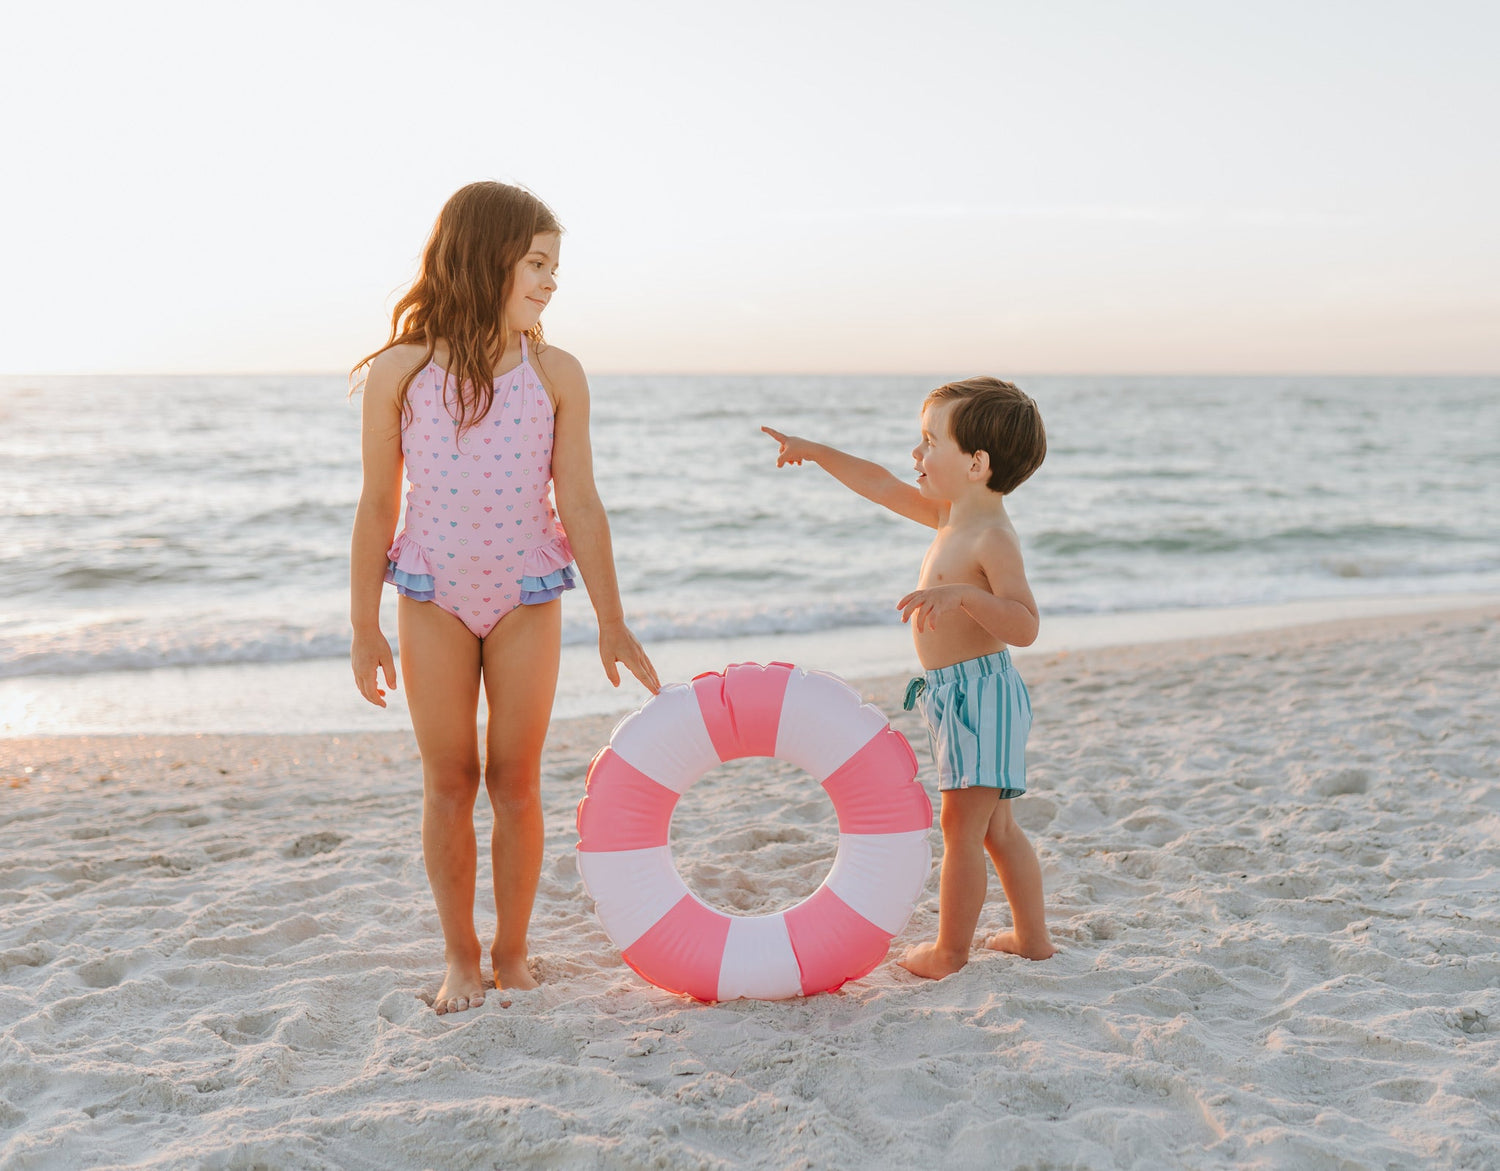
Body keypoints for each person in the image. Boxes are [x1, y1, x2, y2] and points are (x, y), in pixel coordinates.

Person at [350, 181, 659, 1014]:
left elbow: (580, 502)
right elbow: (379, 505)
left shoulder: (554, 372)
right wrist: (362, 625)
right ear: (489, 259)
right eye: (537, 263)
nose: (552, 282)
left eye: (555, 267)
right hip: (432, 594)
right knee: (449, 780)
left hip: (525, 591)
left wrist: (612, 618)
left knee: (515, 780)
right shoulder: (402, 370)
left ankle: (512, 951)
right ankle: (460, 955)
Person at [763, 378, 1056, 979]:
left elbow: (1024, 625)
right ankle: (1032, 939)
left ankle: (951, 953)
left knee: (963, 827)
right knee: (996, 826)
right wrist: (816, 451)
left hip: (981, 693)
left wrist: (963, 596)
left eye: (929, 443)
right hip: (957, 694)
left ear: (976, 464)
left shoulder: (991, 537)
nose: (915, 456)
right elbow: (879, 483)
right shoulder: (949, 517)